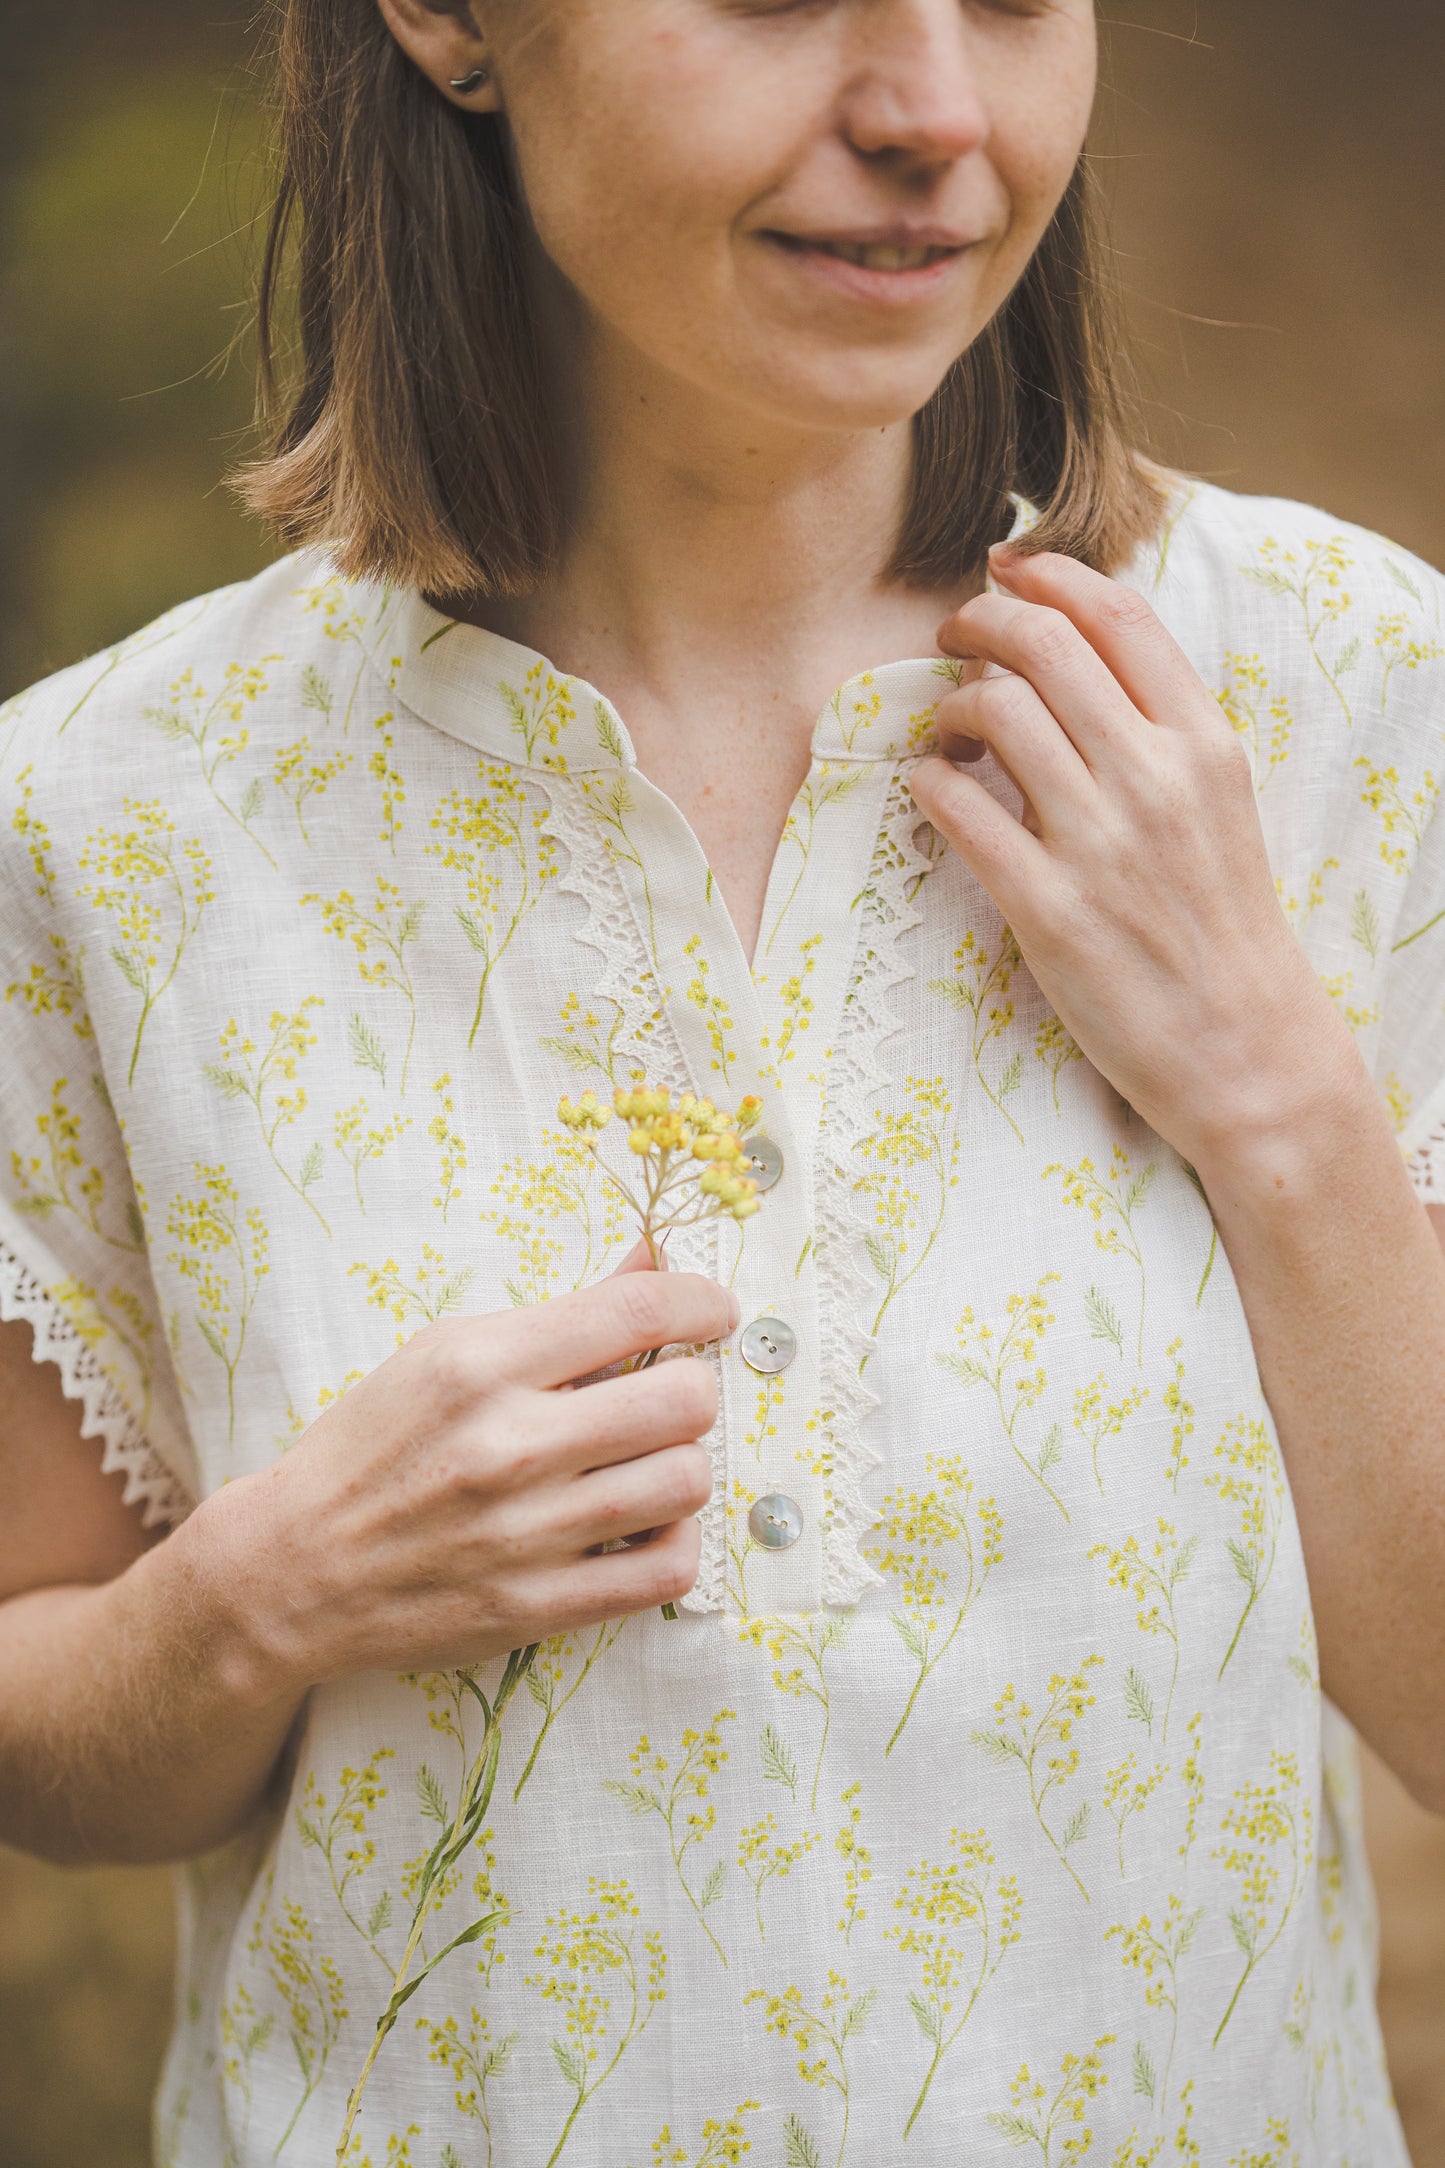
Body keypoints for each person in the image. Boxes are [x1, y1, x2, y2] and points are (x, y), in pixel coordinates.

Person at [3, 1, 1444, 2161]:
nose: (935, 114)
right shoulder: (106, 824)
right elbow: (40, 1715)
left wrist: (1280, 1104)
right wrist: (254, 1598)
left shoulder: (1343, 702)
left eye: (1017, 0)